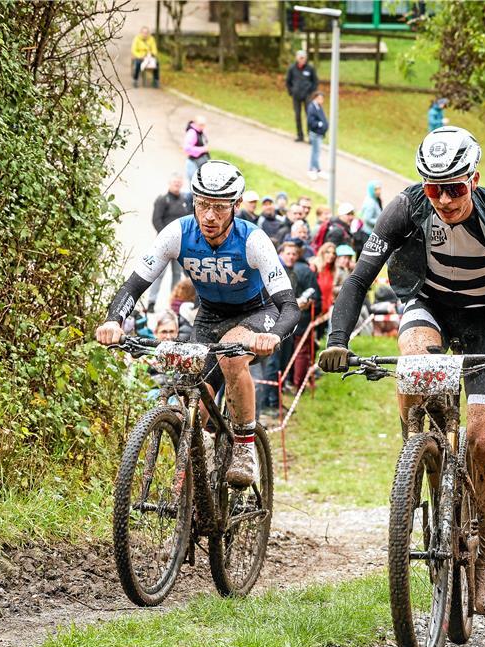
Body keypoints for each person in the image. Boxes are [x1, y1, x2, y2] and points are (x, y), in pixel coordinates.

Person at [317, 126, 485, 616]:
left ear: (475, 178)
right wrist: (337, 341)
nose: (445, 200)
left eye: (456, 188)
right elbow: (360, 278)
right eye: (434, 189)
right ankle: (420, 452)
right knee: (413, 362)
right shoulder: (406, 207)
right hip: (427, 306)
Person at [95, 160, 301, 487]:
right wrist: (113, 321)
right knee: (194, 391)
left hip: (256, 313)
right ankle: (196, 475)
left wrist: (273, 336)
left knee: (232, 358)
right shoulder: (178, 233)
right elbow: (134, 285)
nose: (209, 216)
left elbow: (289, 306)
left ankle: (245, 446)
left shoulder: (253, 240)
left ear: (234, 206)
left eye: (219, 207)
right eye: (202, 204)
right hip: (209, 315)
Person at [279, 241, 322, 391]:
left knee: (292, 352)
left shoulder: (291, 270)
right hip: (298, 318)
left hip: (288, 317)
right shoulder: (302, 271)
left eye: (293, 254)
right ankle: (297, 385)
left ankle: (291, 383)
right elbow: (316, 297)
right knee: (300, 352)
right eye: (288, 253)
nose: (291, 256)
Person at [146, 174, 192, 312]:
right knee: (158, 273)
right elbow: (156, 220)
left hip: (180, 245)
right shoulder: (162, 199)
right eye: (174, 182)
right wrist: (167, 237)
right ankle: (151, 303)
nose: (177, 184)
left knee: (177, 273)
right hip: (164, 244)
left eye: (179, 182)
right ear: (169, 183)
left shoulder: (185, 199)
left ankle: (174, 304)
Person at [285, 50, 319, 142]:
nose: (302, 60)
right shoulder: (292, 68)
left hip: (307, 95)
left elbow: (315, 81)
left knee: (309, 115)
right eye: (300, 58)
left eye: (303, 58)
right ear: (297, 58)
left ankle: (310, 137)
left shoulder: (310, 68)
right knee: (297, 115)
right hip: (296, 95)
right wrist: (291, 92)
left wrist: (312, 92)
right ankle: (300, 135)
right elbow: (288, 82)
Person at [183, 116, 210, 191]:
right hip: (193, 163)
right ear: (195, 124)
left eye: (204, 125)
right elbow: (187, 148)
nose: (203, 127)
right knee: (194, 187)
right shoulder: (192, 133)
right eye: (201, 125)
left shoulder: (201, 131)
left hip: (201, 162)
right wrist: (203, 149)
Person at [306, 92, 329, 180]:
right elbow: (311, 121)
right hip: (315, 134)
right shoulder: (312, 108)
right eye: (320, 98)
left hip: (319, 134)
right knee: (316, 152)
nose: (321, 100)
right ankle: (314, 169)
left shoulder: (318, 107)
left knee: (316, 152)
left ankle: (315, 169)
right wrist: (319, 124)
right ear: (315, 98)